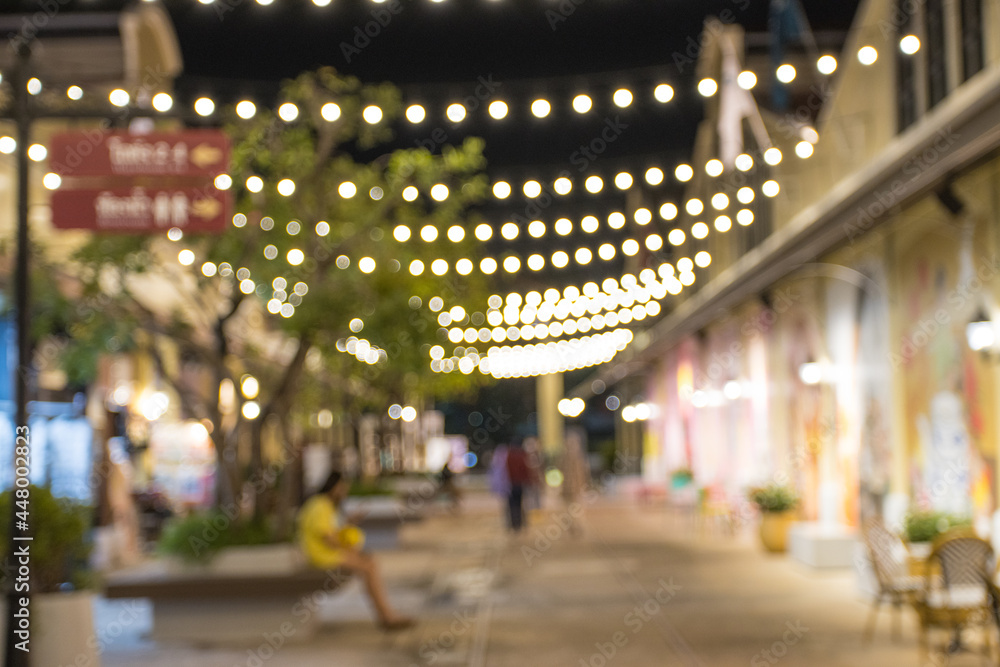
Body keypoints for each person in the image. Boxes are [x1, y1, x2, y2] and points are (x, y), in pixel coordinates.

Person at [296, 470, 414, 631]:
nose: (345, 491)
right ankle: (386, 615)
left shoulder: (324, 505)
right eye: (343, 487)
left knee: (370, 563)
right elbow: (328, 538)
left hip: (326, 553)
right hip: (322, 556)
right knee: (369, 566)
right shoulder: (320, 505)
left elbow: (331, 532)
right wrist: (351, 550)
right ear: (335, 486)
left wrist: (349, 522)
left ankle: (386, 614)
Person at [505, 439, 534, 532]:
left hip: (511, 484)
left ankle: (514, 524)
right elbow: (526, 470)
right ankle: (520, 523)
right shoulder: (522, 455)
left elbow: (506, 471)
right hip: (520, 484)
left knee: (512, 505)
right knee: (520, 504)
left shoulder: (509, 456)